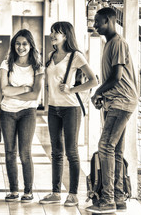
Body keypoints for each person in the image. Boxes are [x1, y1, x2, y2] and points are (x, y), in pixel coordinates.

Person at [85, 7, 138, 213]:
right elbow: (114, 79)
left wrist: (98, 91)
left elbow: (116, 77)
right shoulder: (109, 44)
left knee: (105, 146)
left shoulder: (117, 43)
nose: (95, 25)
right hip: (116, 100)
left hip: (121, 102)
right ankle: (118, 196)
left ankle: (107, 201)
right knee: (115, 150)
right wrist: (103, 96)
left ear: (108, 20)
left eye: (98, 22)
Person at [39, 22, 98, 206]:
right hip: (53, 107)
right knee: (56, 151)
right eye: (52, 32)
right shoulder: (50, 55)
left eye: (57, 33)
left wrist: (72, 90)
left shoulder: (76, 56)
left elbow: (93, 80)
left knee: (71, 151)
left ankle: (73, 194)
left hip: (70, 108)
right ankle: (55, 192)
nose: (53, 35)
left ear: (66, 36)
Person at [0, 29, 44, 203]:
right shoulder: (6, 64)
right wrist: (24, 89)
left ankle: (28, 191)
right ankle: (13, 190)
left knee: (25, 152)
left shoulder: (38, 67)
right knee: (10, 152)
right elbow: (3, 90)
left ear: (31, 45)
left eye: (25, 43)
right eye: (18, 43)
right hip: (7, 112)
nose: (21, 47)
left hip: (28, 112)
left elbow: (35, 96)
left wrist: (13, 92)